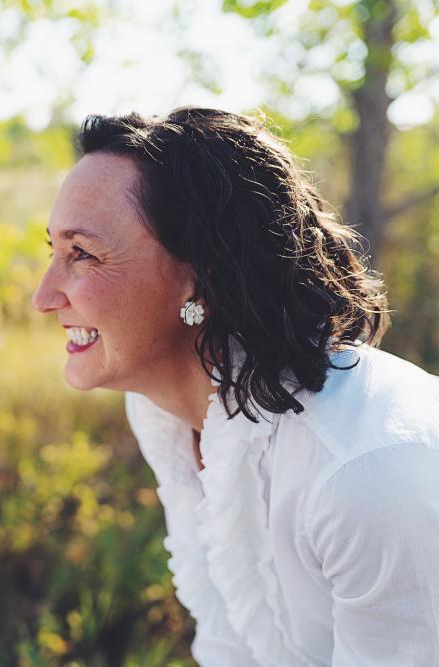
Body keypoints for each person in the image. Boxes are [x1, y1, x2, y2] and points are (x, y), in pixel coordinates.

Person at [32, 107, 439, 666]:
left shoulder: (362, 471)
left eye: (82, 254)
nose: (44, 296)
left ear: (200, 272)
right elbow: (232, 646)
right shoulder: (167, 413)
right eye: (52, 250)